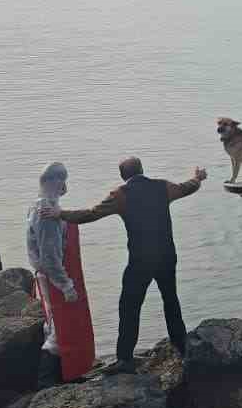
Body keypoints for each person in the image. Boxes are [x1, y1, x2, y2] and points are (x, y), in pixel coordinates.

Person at [49, 157, 205, 372]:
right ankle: (182, 349)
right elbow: (187, 188)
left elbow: (91, 214)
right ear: (142, 169)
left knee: (129, 307)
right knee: (171, 301)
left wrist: (60, 214)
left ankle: (125, 359)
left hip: (141, 261)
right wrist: (198, 177)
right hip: (166, 256)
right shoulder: (163, 187)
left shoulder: (120, 195)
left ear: (123, 175)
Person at [27, 162, 95, 387]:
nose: (65, 185)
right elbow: (50, 256)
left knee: (58, 327)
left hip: (49, 276)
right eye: (62, 180)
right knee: (60, 330)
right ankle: (47, 385)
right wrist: (66, 286)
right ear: (52, 181)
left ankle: (66, 376)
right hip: (54, 277)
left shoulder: (42, 206)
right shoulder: (47, 212)